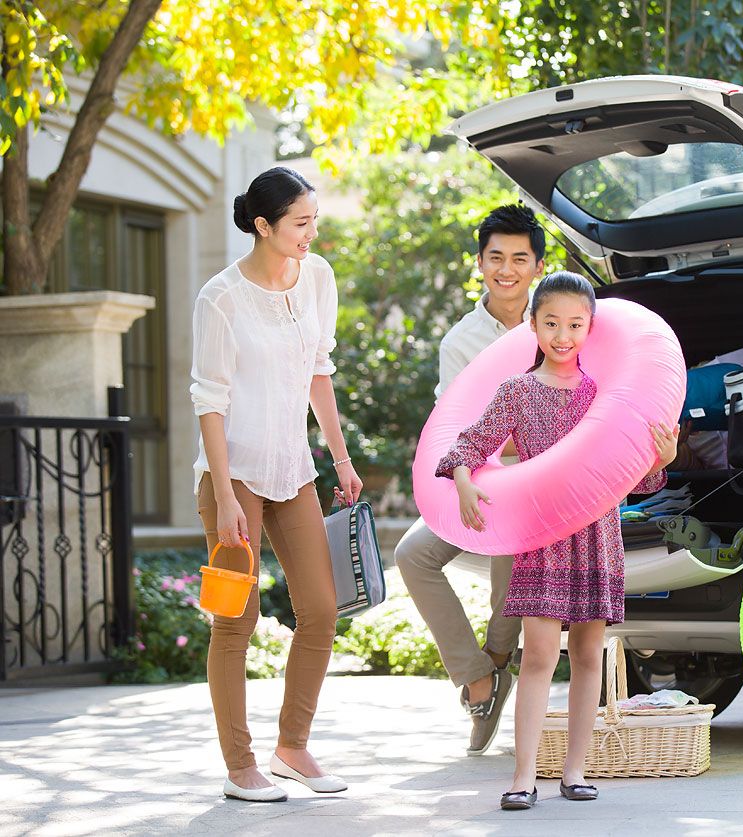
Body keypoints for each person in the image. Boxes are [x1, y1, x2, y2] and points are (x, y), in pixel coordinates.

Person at [434, 271, 679, 810]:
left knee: (590, 652)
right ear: (533, 325)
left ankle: (575, 770)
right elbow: (467, 446)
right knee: (540, 654)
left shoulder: (603, 394)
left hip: (596, 534)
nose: (563, 335)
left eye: (575, 324)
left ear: (591, 328)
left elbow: (631, 478)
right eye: (551, 323)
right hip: (541, 536)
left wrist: (663, 460)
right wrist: (466, 484)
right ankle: (524, 775)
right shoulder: (517, 391)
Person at [190, 166, 361, 802]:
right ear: (263, 226)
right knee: (234, 622)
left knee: (320, 612)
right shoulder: (221, 299)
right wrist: (228, 495)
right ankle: (241, 767)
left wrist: (340, 460)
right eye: (300, 223)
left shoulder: (317, 278)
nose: (311, 233)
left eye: (314, 220)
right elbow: (209, 401)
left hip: (294, 472)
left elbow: (320, 372)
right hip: (232, 478)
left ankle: (293, 748)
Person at [394, 204, 546, 755]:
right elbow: (456, 424)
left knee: (513, 538)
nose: (506, 270)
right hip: (477, 475)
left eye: (519, 259)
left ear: (537, 266)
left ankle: (501, 660)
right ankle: (478, 676)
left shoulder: (558, 317)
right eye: (496, 257)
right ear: (480, 262)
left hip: (544, 481)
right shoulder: (461, 340)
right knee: (413, 555)